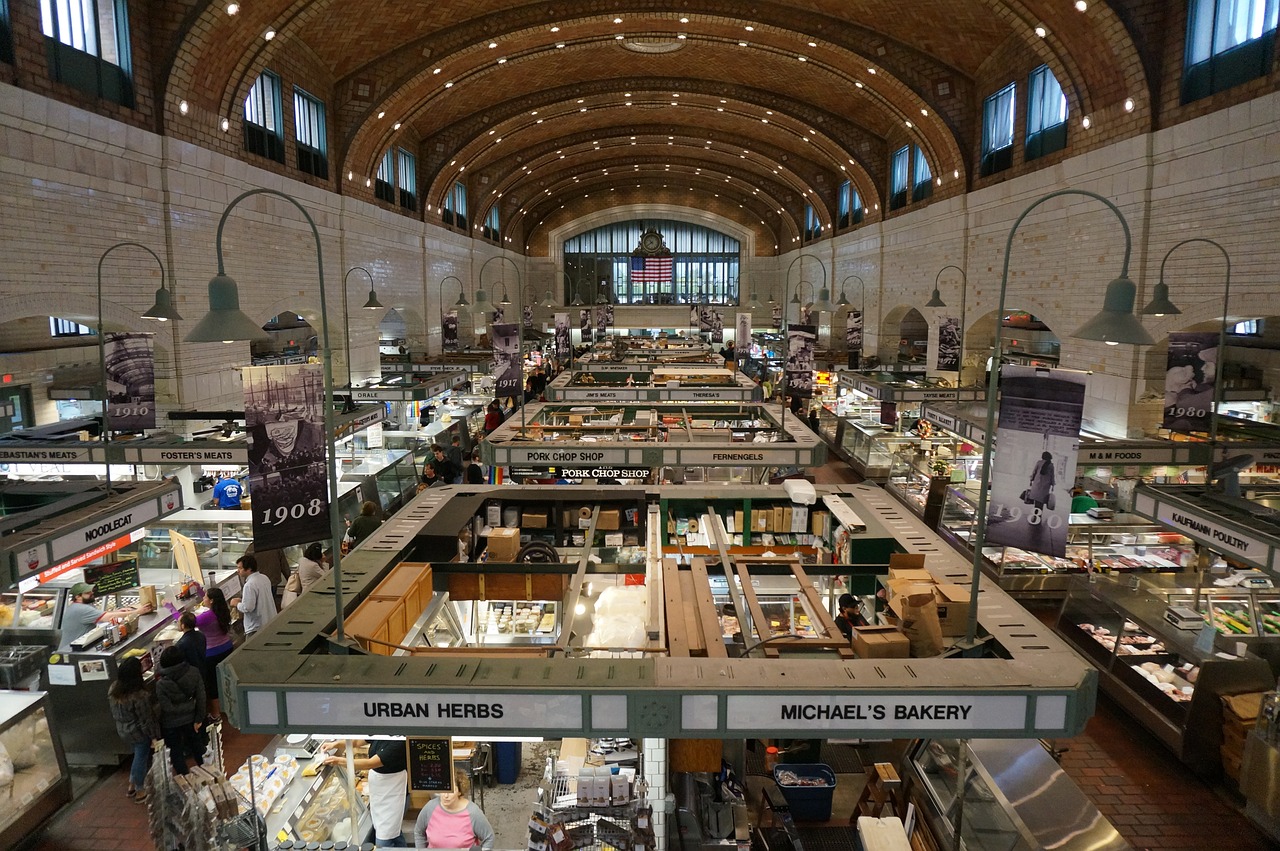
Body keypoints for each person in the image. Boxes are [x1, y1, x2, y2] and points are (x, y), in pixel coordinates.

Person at [321, 738, 408, 846]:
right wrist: (335, 744)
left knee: (384, 836)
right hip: (379, 788)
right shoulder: (382, 731)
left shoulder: (399, 742)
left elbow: (370, 763)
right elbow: (357, 742)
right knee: (393, 831)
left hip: (393, 788)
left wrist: (339, 761)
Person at [108, 656, 160, 803]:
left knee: (137, 754)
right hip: (138, 732)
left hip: (122, 729)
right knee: (141, 757)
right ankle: (139, 789)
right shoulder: (139, 695)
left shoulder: (114, 688)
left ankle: (132, 784)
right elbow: (146, 720)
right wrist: (154, 737)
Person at [155, 645, 206, 776]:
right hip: (191, 719)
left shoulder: (161, 683)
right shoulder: (193, 672)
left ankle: (184, 779)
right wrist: (198, 717)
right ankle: (208, 773)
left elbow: (167, 708)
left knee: (176, 751)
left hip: (170, 724)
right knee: (198, 747)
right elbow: (201, 696)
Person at [414, 768, 495, 850]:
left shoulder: (473, 813)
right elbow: (418, 832)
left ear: (460, 791)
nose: (445, 795)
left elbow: (489, 838)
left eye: (451, 791)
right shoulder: (430, 807)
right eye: (444, 789)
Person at [59, 581, 152, 649]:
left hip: (79, 647)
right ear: (78, 597)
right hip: (72, 651)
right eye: (87, 593)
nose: (92, 594)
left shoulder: (80, 605)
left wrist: (119, 611)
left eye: (91, 591)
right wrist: (138, 612)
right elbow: (107, 617)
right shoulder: (81, 609)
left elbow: (101, 615)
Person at [196, 587, 234, 721]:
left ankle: (216, 713)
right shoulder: (223, 610)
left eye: (205, 597)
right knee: (226, 679)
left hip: (212, 654)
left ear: (211, 601)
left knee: (212, 685)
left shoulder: (206, 617)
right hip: (227, 648)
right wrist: (199, 590)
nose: (203, 599)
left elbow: (186, 623)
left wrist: (171, 608)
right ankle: (230, 707)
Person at [229, 554, 278, 638]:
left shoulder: (249, 585)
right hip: (269, 619)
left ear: (249, 569)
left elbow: (248, 607)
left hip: (256, 626)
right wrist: (242, 600)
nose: (238, 571)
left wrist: (236, 604)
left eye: (240, 568)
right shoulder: (264, 577)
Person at [1026, 450, 1057, 522]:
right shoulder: (1051, 465)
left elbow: (1034, 472)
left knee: (1037, 501)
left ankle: (1036, 514)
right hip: (1045, 486)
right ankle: (1039, 515)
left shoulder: (1039, 463)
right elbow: (1052, 476)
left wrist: (1031, 480)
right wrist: (1053, 485)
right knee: (1041, 501)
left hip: (1037, 484)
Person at [175, 611, 207, 678]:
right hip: (204, 670)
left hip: (191, 676)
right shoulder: (201, 635)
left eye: (178, 622)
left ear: (183, 626)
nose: (177, 624)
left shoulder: (181, 644)